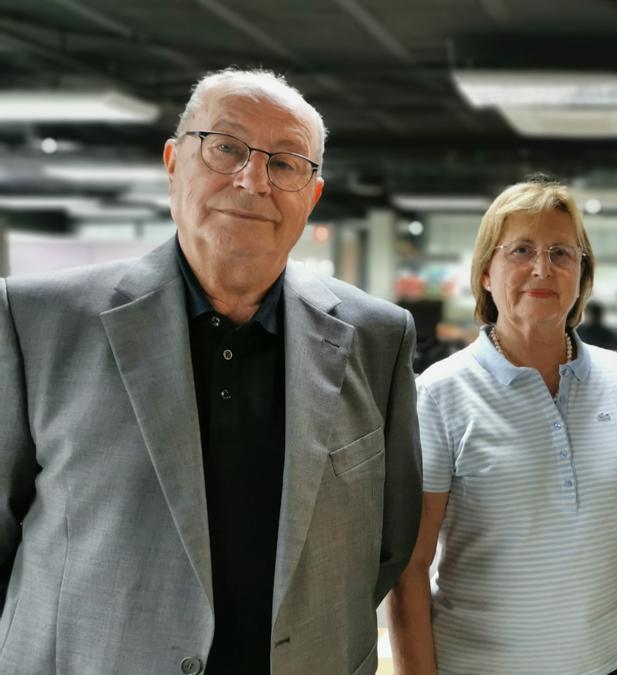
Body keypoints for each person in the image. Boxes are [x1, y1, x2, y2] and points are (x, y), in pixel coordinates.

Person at [0, 68, 422, 674]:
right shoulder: (37, 322)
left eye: (285, 163)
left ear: (313, 194)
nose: (253, 180)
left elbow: (387, 542)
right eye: (226, 148)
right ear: (174, 162)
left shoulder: (377, 337)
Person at [386, 178, 617, 675]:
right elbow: (409, 566)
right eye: (521, 249)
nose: (542, 267)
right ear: (487, 274)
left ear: (582, 273)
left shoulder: (615, 375)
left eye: (562, 251)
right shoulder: (442, 393)